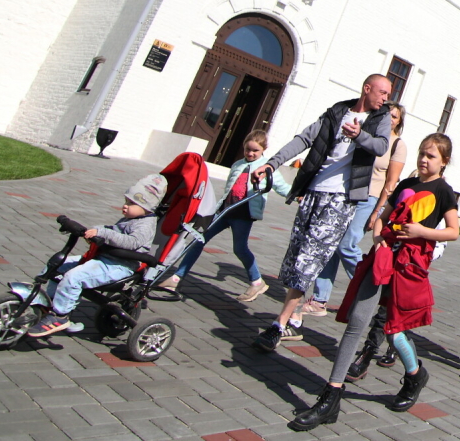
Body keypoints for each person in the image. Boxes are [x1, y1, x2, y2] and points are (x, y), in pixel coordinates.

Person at [288, 133, 459, 431]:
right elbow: (383, 215)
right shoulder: (406, 185)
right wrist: (378, 237)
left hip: (408, 268)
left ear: (444, 161)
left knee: (394, 332)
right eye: (422, 153)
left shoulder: (444, 191)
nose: (423, 159)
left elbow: (453, 231)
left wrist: (422, 232)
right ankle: (332, 395)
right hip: (382, 261)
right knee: (357, 320)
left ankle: (415, 374)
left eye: (431, 156)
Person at [251, 73, 393, 352]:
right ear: (367, 89)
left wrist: (360, 135)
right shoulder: (338, 111)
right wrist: (272, 163)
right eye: (382, 92)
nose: (386, 98)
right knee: (296, 254)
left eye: (388, 94)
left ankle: (278, 325)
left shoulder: (381, 118)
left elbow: (381, 146)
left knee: (309, 258)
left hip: (342, 200)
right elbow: (304, 139)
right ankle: (294, 317)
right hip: (314, 192)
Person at [27, 174, 167, 337]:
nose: (125, 206)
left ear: (148, 207)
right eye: (126, 201)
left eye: (131, 203)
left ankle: (60, 316)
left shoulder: (145, 225)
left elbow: (131, 242)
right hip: (106, 259)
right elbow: (113, 230)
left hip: (121, 266)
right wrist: (94, 231)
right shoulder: (132, 217)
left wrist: (103, 233)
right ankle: (50, 304)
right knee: (59, 266)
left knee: (74, 277)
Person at [303, 102, 408, 317]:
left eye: (395, 116)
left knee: (346, 244)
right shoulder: (370, 134)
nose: (389, 118)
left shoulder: (397, 145)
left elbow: (391, 182)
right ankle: (320, 298)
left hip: (372, 199)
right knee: (332, 242)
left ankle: (369, 288)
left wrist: (378, 211)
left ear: (399, 122)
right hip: (350, 191)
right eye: (387, 114)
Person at [161, 130, 291, 300]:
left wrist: (298, 196)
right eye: (247, 150)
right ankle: (177, 277)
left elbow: (281, 187)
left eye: (255, 151)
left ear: (263, 150)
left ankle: (257, 282)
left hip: (243, 214)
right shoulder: (237, 164)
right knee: (198, 239)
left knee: (240, 248)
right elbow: (230, 186)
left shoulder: (266, 167)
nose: (250, 154)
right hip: (224, 210)